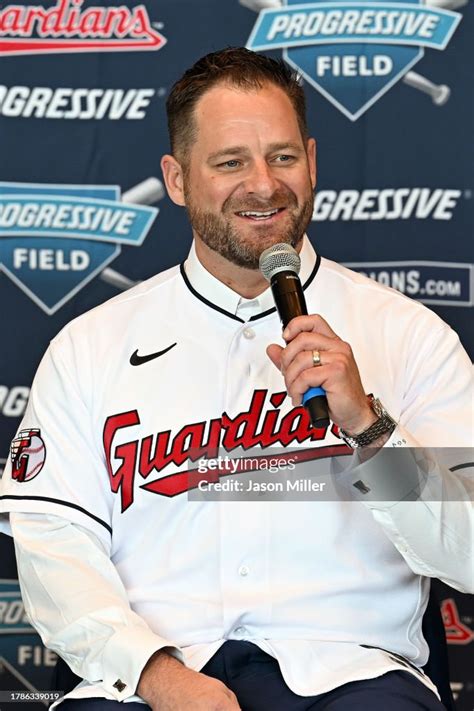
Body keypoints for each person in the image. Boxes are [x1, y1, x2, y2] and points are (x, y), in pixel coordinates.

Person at [0, 47, 472, 711]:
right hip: (149, 682)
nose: (264, 184)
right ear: (177, 178)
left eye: (282, 157)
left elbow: (469, 555)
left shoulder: (408, 335)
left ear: (312, 161)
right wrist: (162, 678)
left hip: (352, 678)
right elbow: (57, 557)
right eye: (230, 162)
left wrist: (369, 425)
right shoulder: (90, 346)